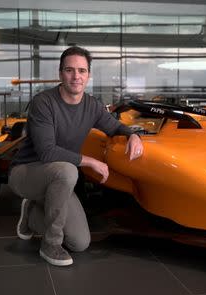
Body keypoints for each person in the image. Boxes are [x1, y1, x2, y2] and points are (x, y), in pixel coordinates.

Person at [8, 46, 144, 266]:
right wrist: (90, 162)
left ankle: (31, 213)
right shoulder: (43, 103)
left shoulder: (92, 105)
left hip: (59, 178)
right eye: (70, 70)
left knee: (80, 242)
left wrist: (132, 136)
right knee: (68, 169)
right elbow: (47, 152)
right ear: (60, 73)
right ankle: (50, 244)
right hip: (26, 171)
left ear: (88, 75)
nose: (76, 76)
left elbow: (115, 127)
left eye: (81, 71)